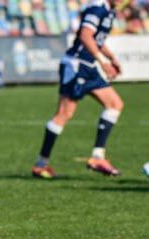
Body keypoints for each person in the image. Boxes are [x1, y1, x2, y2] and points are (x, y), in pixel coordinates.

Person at [32, 0, 125, 179]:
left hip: (88, 66)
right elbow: (85, 35)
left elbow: (97, 40)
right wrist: (103, 62)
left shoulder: (110, 11)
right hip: (76, 66)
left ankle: (98, 157)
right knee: (64, 114)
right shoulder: (97, 8)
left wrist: (111, 57)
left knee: (115, 104)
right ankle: (40, 164)